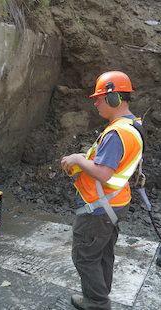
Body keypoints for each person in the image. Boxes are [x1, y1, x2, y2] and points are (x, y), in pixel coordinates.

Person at [60, 71, 144, 310]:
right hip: (115, 204)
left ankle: (96, 304)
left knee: (85, 258)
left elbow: (104, 173)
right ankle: (98, 298)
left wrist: (77, 158)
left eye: (99, 97)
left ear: (114, 98)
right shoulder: (133, 125)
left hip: (99, 208)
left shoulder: (117, 133)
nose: (95, 102)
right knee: (103, 254)